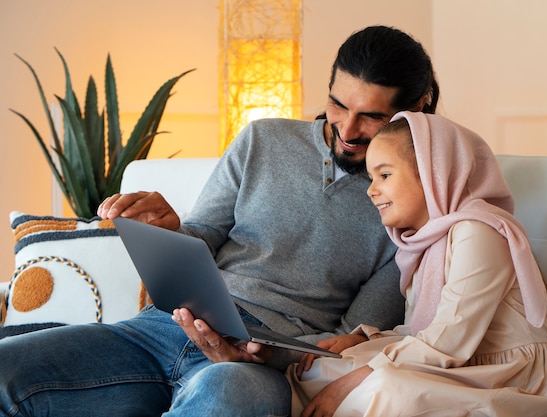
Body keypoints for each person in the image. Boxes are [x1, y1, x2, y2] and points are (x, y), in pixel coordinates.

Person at [0, 26, 440, 416]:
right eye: (338, 105)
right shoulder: (262, 139)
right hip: (163, 328)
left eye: (372, 117)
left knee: (223, 392)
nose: (346, 129)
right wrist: (171, 231)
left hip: (255, 365)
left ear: (414, 110)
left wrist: (261, 355)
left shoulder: (412, 205)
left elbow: (347, 342)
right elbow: (201, 237)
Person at [287, 112, 547, 417]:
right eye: (371, 177)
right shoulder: (424, 244)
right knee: (319, 371)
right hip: (458, 362)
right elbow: (422, 331)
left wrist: (352, 381)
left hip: (508, 376)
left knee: (388, 388)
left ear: (433, 174)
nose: (371, 190)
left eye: (384, 175)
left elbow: (448, 340)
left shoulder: (478, 231)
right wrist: (362, 338)